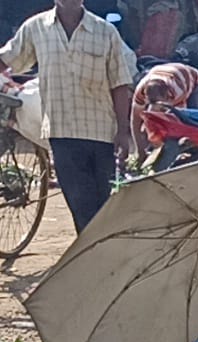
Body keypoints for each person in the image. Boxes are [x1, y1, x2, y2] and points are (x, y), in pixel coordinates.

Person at [0, 0, 134, 233]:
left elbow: (120, 83)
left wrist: (123, 130)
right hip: (60, 133)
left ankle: (102, 258)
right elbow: (9, 59)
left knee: (102, 204)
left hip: (101, 133)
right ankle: (93, 260)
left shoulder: (105, 31)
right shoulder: (36, 27)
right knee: (81, 205)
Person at [131, 61, 198, 158]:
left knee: (193, 121)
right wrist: (140, 149)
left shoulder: (178, 91)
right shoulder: (140, 91)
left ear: (167, 97)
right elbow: (135, 119)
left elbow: (179, 120)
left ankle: (195, 151)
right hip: (163, 73)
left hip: (193, 80)